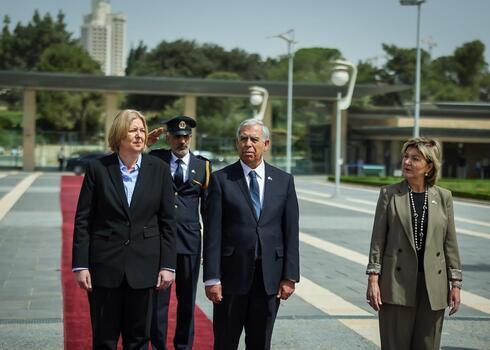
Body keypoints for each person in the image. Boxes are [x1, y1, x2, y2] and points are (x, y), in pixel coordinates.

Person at [72, 109, 177, 350]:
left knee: (139, 340)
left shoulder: (159, 169)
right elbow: (83, 220)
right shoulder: (98, 169)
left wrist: (167, 265)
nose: (140, 135)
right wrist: (81, 264)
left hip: (145, 268)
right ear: (119, 135)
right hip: (105, 268)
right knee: (104, 339)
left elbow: (168, 221)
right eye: (133, 130)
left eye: (142, 130)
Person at [203, 118, 300, 350]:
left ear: (265, 144)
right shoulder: (221, 179)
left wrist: (290, 276)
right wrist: (212, 278)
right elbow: (212, 233)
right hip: (231, 277)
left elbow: (290, 231)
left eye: (254, 139)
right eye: (243, 139)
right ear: (236, 143)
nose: (248, 144)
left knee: (260, 342)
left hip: (269, 278)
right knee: (226, 341)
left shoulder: (283, 181)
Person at [365, 137, 462, 350]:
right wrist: (373, 280)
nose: (407, 162)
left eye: (415, 158)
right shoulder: (389, 194)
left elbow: (450, 243)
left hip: (433, 286)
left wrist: (455, 284)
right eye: (406, 157)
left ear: (429, 166)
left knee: (428, 345)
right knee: (394, 345)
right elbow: (377, 241)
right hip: (396, 283)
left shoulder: (444, 197)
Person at [147, 115, 211, 350]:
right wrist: (147, 143)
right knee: (158, 302)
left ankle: (184, 346)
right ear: (168, 137)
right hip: (161, 242)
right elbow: (128, 159)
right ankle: (159, 345)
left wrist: (209, 250)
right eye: (176, 136)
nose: (181, 141)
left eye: (185, 137)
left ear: (190, 138)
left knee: (187, 303)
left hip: (189, 243)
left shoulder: (203, 165)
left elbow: (208, 211)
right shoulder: (156, 159)